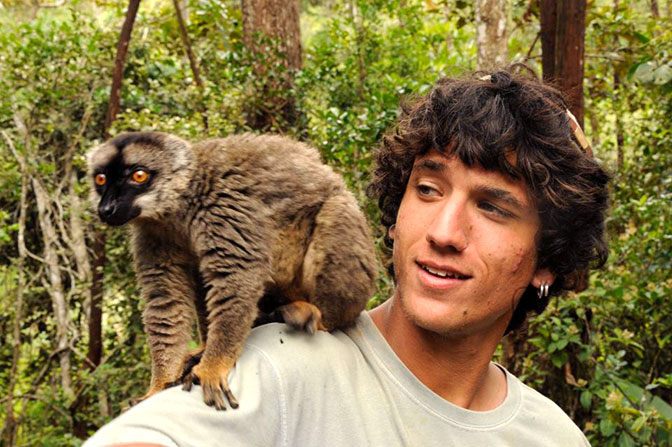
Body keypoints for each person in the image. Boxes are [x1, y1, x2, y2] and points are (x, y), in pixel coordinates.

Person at [84, 66, 610, 447]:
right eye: (427, 190)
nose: (445, 232)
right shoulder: (276, 366)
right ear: (395, 214)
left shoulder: (553, 436)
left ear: (548, 259)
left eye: (494, 208)